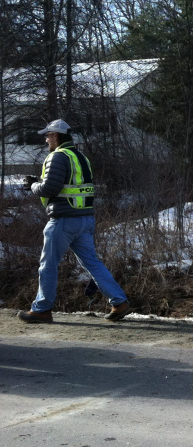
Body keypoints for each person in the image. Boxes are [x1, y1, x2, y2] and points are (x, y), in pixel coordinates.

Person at [18, 119, 130, 323]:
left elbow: (49, 188)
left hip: (63, 220)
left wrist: (33, 185)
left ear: (55, 135)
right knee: (92, 263)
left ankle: (42, 309)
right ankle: (119, 302)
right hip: (85, 219)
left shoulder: (57, 156)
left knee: (48, 265)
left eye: (47, 135)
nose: (46, 140)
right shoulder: (80, 157)